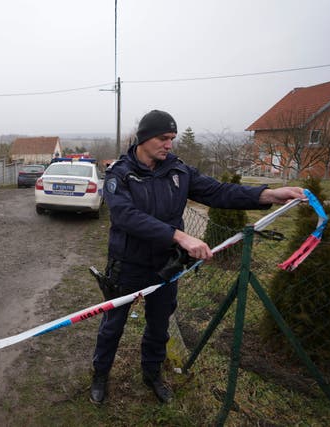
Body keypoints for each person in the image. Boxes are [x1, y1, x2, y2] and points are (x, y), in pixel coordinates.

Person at [89, 110, 305, 405]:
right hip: (127, 264)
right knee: (113, 324)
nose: (169, 145)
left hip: (166, 266)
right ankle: (100, 374)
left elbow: (220, 192)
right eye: (163, 138)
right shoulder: (120, 174)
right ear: (143, 138)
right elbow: (126, 216)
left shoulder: (179, 171)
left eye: (172, 139)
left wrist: (267, 195)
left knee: (159, 325)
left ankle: (152, 374)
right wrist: (180, 236)